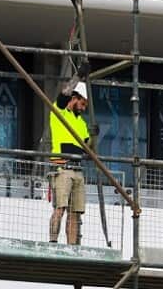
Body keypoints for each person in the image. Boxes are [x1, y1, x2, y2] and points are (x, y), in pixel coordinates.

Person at [49, 80, 91, 245]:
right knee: (60, 208)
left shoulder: (81, 123)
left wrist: (93, 136)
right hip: (63, 168)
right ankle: (53, 242)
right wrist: (78, 76)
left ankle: (72, 247)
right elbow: (64, 94)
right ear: (74, 98)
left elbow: (88, 148)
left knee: (75, 213)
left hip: (78, 170)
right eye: (82, 103)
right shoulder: (59, 112)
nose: (83, 108)